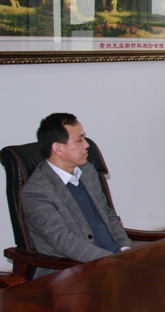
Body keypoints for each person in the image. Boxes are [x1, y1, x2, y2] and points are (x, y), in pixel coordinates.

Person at [22, 113, 132, 278]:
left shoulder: (87, 171)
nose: (87, 145)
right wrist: (114, 261)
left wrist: (125, 249)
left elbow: (107, 214)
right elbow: (65, 242)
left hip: (113, 262)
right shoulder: (36, 192)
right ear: (58, 148)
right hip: (71, 273)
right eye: (79, 140)